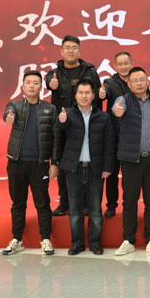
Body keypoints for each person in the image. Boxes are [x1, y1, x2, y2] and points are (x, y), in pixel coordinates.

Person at [112, 67, 150, 256]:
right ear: (128, 84)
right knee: (129, 201)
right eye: (135, 80)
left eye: (142, 79)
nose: (139, 83)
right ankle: (128, 240)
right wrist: (117, 110)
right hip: (131, 160)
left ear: (148, 81)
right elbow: (116, 108)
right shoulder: (124, 100)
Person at [2, 70, 58, 256]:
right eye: (28, 82)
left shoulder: (50, 109)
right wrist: (9, 117)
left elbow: (56, 138)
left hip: (40, 164)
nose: (32, 86)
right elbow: (7, 114)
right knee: (18, 203)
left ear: (41, 87)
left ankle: (46, 239)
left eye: (35, 83)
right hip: (16, 163)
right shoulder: (15, 106)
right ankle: (17, 240)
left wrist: (54, 163)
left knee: (42, 203)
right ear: (23, 86)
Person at [45, 35, 102, 217]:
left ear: (79, 50)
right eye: (67, 48)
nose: (71, 51)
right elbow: (48, 82)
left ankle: (85, 203)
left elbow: (97, 97)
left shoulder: (90, 71)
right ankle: (64, 202)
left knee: (86, 163)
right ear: (62, 51)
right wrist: (50, 84)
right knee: (63, 163)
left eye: (74, 47)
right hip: (63, 123)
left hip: (86, 122)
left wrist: (97, 121)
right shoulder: (54, 73)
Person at [57, 80, 114, 256]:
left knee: (95, 209)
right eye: (80, 92)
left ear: (93, 95)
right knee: (75, 210)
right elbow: (60, 132)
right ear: (75, 96)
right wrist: (62, 122)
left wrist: (107, 167)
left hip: (95, 168)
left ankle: (95, 243)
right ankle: (77, 244)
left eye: (87, 92)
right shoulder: (68, 114)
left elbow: (109, 144)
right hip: (73, 168)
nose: (84, 96)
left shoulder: (103, 116)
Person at [99, 51, 133, 218]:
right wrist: (102, 94)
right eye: (120, 64)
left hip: (131, 136)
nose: (124, 66)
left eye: (126, 63)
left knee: (129, 175)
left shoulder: (137, 81)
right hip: (113, 136)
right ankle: (111, 205)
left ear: (131, 64)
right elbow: (104, 93)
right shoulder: (109, 83)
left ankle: (129, 205)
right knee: (111, 173)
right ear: (115, 66)